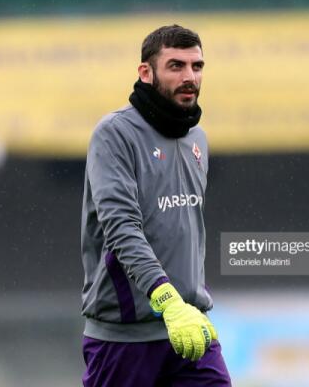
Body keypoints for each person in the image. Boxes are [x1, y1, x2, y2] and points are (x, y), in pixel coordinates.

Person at [80, 24, 232, 386]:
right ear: (146, 73)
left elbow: (182, 232)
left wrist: (188, 307)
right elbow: (122, 229)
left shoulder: (198, 139)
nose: (189, 77)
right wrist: (168, 300)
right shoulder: (114, 133)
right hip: (125, 336)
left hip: (189, 328)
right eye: (176, 66)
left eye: (197, 66)